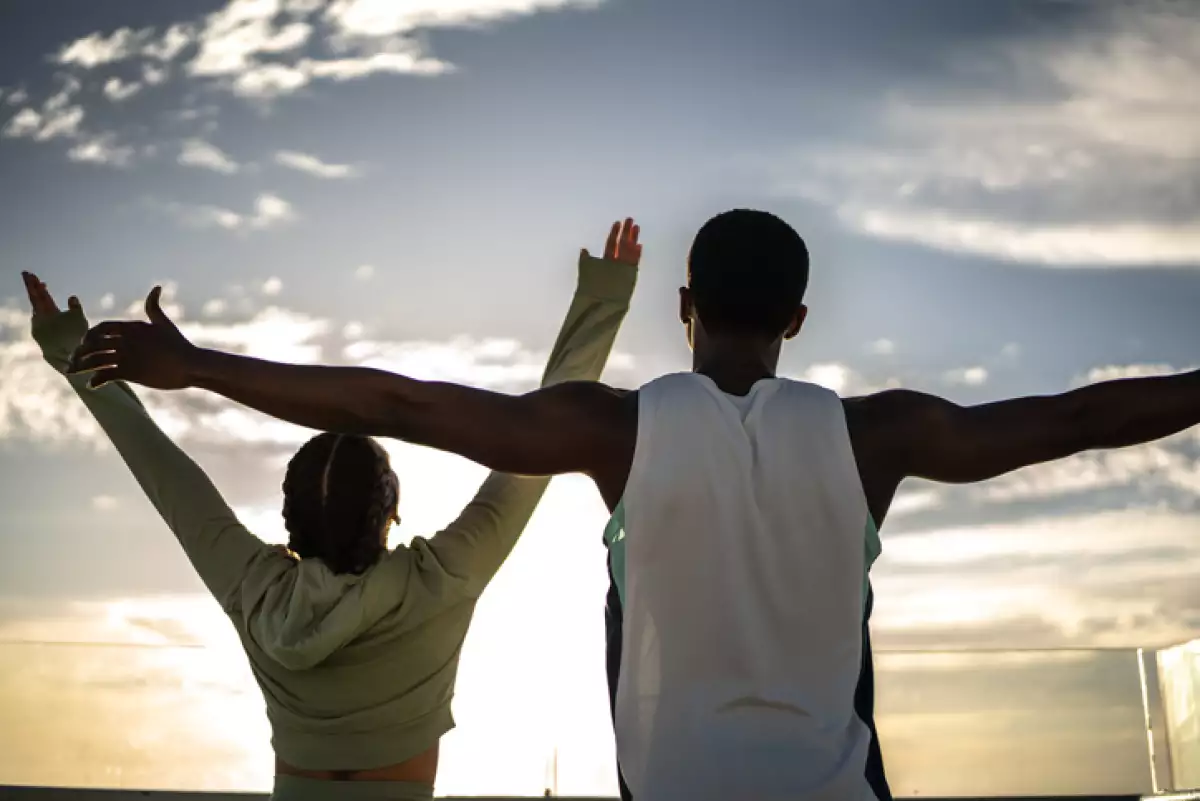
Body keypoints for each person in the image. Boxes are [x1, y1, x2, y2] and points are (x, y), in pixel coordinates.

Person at [67, 208, 1200, 800]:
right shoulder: (879, 435)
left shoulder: (619, 431)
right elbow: (1073, 419)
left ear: (684, 305)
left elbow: (400, 402)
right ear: (799, 320)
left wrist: (203, 364)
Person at [24, 217, 640, 801]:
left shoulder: (255, 591)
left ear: (290, 514)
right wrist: (602, 300)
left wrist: (71, 353)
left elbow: (164, 472)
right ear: (389, 507)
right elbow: (529, 453)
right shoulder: (440, 579)